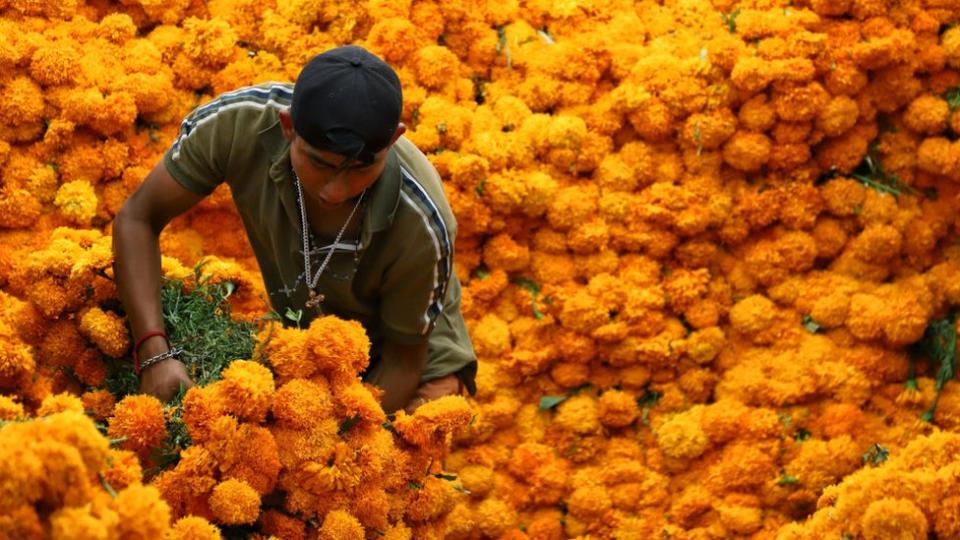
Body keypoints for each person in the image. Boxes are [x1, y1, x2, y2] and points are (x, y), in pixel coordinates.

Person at [112, 45, 477, 414]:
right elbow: (137, 219)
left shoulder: (423, 222)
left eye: (360, 170)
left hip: (409, 341)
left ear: (395, 139)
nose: (335, 190)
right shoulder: (238, 124)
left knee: (426, 417)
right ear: (288, 128)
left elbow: (404, 362)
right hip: (305, 323)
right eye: (319, 163)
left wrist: (332, 445)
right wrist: (155, 352)